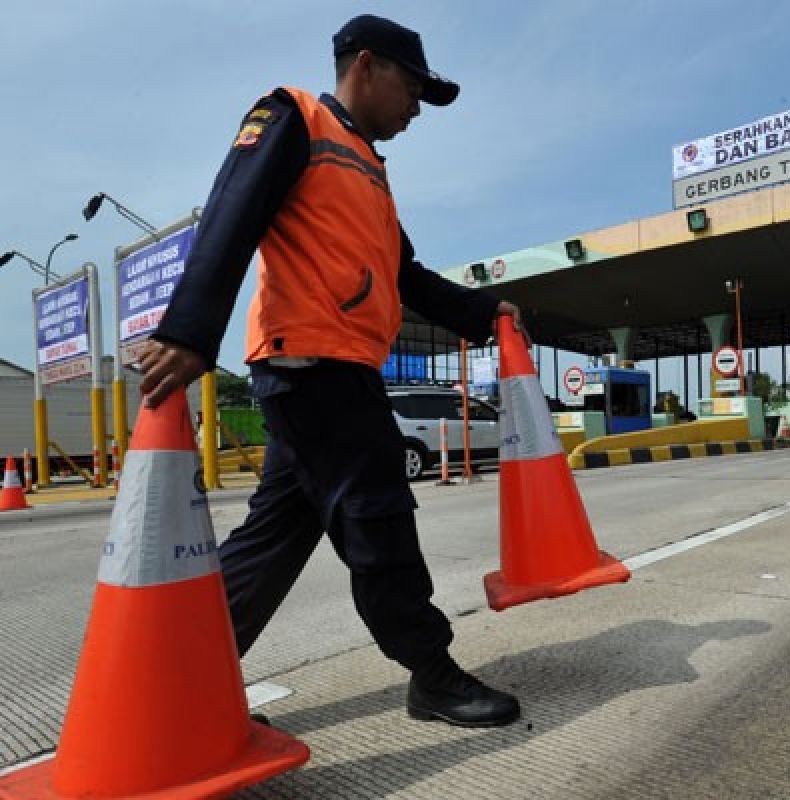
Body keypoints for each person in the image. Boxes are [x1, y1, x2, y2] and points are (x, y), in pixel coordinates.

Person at [138, 14, 521, 728]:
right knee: (378, 518)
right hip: (314, 365)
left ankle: (174, 674)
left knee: (274, 538)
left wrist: (483, 312)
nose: (415, 108)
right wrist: (190, 334)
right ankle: (432, 674)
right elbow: (232, 211)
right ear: (367, 66)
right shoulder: (294, 117)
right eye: (412, 88)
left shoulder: (368, 170)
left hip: (332, 369)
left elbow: (404, 273)